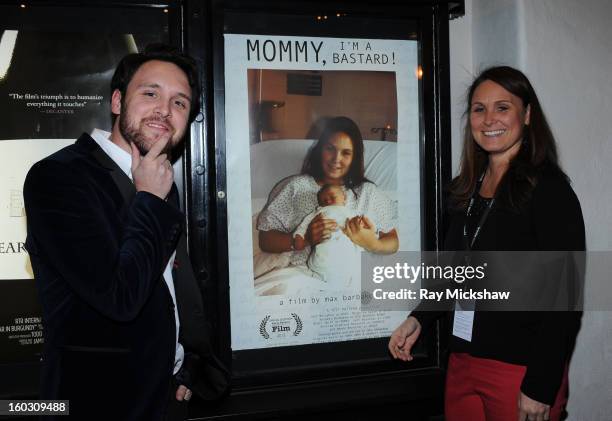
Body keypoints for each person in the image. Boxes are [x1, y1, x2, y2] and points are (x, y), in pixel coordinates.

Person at [24, 44, 227, 420]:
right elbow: (119, 297)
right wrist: (149, 198)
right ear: (117, 101)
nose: (164, 111)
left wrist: (186, 363)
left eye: (179, 103)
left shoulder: (161, 181)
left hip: (166, 397)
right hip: (98, 403)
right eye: (150, 93)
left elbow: (170, 287)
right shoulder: (59, 177)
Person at [388, 66, 584, 421]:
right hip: (463, 362)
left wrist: (541, 385)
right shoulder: (464, 189)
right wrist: (420, 317)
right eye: (479, 109)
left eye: (502, 107)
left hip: (520, 370)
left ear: (526, 115)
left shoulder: (549, 190)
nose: (489, 119)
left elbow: (565, 298)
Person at [257, 116, 399, 267]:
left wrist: (374, 244)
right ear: (320, 150)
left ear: (354, 158)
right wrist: (303, 240)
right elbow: (265, 239)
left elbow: (393, 240)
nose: (336, 159)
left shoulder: (368, 193)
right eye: (330, 148)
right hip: (306, 273)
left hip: (355, 274)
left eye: (346, 153)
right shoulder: (296, 187)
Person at [293, 184, 363, 287]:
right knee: (321, 267)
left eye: (332, 197)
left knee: (351, 267)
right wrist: (299, 237)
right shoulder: (318, 212)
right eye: (323, 201)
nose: (328, 201)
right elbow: (303, 227)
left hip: (345, 250)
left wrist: (360, 226)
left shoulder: (350, 212)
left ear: (344, 197)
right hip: (324, 251)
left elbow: (362, 229)